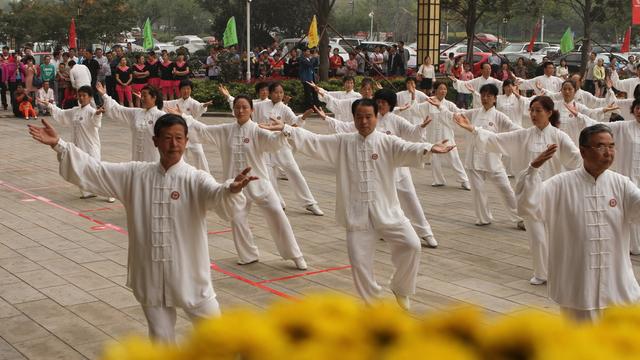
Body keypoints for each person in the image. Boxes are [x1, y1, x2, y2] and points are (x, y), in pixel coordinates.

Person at [27, 114, 254, 341]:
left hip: (189, 273)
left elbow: (216, 194)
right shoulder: (135, 174)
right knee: (160, 337)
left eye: (178, 138)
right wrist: (59, 145)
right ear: (155, 141)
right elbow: (95, 170)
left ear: (186, 141)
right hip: (150, 273)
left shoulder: (195, 178)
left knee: (216, 335)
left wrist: (231, 189)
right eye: (167, 138)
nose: (173, 144)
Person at [259, 98, 455, 310]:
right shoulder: (343, 142)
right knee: (360, 265)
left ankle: (401, 287)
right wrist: (287, 129)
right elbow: (314, 141)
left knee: (412, 245)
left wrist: (429, 147)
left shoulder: (387, 142)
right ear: (353, 118)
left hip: (387, 211)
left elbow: (408, 148)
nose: (364, 121)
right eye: (359, 117)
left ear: (376, 117)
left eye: (368, 117)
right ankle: (375, 305)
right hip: (357, 214)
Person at [515, 124, 640, 321]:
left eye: (611, 146)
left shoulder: (622, 184)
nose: (608, 152)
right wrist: (532, 170)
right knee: (580, 345)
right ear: (583, 151)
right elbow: (528, 207)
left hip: (618, 285)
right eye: (600, 147)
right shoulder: (561, 184)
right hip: (578, 284)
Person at [453, 95, 582, 285]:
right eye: (532, 110)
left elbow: (576, 159)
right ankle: (541, 272)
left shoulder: (559, 136)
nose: (534, 114)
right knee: (536, 237)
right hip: (530, 193)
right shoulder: (524, 135)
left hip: (554, 193)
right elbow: (496, 140)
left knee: (556, 236)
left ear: (549, 113)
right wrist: (472, 128)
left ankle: (561, 270)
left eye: (538, 110)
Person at [189, 95, 308, 269]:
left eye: (245, 107)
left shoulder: (257, 130)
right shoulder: (225, 130)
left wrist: (284, 130)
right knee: (237, 220)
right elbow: (202, 130)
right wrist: (184, 118)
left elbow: (274, 142)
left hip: (260, 184)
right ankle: (248, 255)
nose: (241, 110)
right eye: (237, 107)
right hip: (236, 187)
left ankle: (295, 255)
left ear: (252, 110)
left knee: (277, 214)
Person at [319, 89, 440, 247]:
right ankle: (382, 228)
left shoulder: (396, 120)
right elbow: (345, 127)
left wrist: (420, 127)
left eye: (384, 102)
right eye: (379, 101)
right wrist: (326, 118)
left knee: (410, 199)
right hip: (377, 171)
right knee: (378, 202)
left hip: (399, 170)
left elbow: (411, 132)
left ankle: (426, 232)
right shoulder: (369, 119)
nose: (381, 104)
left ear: (390, 104)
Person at [441, 84, 524, 228]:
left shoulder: (499, 116)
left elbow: (515, 129)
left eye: (489, 96)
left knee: (506, 189)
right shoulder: (474, 113)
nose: (485, 98)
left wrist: (532, 132)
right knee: (478, 191)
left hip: (492, 160)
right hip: (474, 159)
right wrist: (440, 107)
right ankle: (483, 218)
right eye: (483, 95)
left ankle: (520, 218)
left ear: (494, 99)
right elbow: (458, 114)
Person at [252, 82, 324, 215]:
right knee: (269, 176)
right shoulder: (259, 106)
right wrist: (230, 98)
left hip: (281, 145)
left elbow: (294, 122)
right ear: (270, 93)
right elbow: (244, 107)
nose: (279, 95)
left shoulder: (284, 108)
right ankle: (277, 201)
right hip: (265, 147)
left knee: (294, 172)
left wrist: (303, 117)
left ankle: (310, 203)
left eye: (281, 93)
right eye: (276, 92)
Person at [37, 85, 114, 202]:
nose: (81, 98)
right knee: (80, 170)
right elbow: (61, 114)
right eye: (80, 95)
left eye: (84, 95)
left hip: (90, 147)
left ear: (90, 97)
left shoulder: (92, 111)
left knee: (96, 171)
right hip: (78, 147)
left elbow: (95, 121)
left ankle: (110, 192)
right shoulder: (75, 111)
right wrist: (49, 105)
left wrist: (98, 114)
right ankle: (88, 191)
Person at [400, 81, 469, 189]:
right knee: (434, 158)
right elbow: (415, 110)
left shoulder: (449, 104)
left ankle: (464, 180)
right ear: (435, 90)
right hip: (432, 135)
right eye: (441, 89)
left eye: (445, 89)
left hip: (447, 135)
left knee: (454, 157)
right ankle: (438, 180)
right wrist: (413, 95)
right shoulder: (429, 103)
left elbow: (459, 113)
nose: (443, 91)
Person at [606, 98, 640, 255]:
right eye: (637, 108)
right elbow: (600, 126)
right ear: (633, 110)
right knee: (627, 208)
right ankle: (629, 244)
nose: (639, 111)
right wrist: (580, 115)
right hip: (629, 176)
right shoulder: (623, 127)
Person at [163, 80, 212, 172]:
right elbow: (163, 103)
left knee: (199, 153)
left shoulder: (193, 102)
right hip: (179, 133)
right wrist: (150, 99)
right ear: (180, 90)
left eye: (188, 89)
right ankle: (182, 174)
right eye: (184, 89)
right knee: (181, 155)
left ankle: (206, 174)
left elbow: (200, 106)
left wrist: (204, 105)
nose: (186, 91)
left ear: (191, 90)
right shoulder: (175, 102)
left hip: (193, 133)